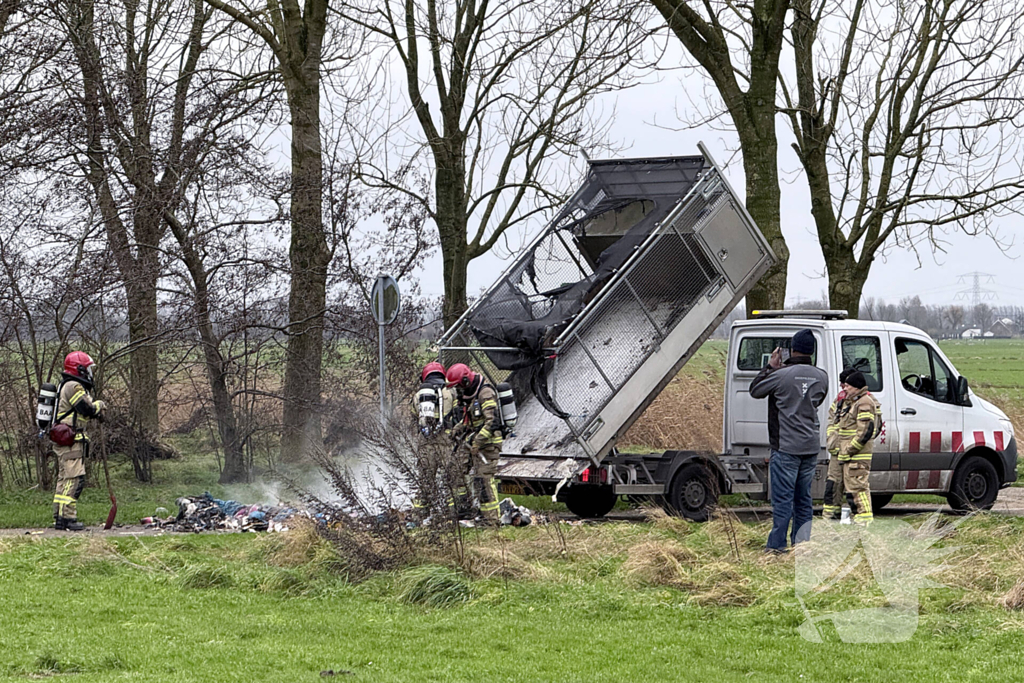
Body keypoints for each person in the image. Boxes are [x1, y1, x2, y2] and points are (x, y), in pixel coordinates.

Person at [749, 329, 828, 553]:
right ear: (811, 350)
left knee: (783, 500)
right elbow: (818, 399)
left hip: (786, 447)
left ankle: (776, 547)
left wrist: (770, 367)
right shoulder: (822, 376)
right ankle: (801, 545)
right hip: (810, 446)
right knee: (803, 499)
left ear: (791, 349)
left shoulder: (781, 375)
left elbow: (755, 390)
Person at [52, 351, 106, 531]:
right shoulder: (74, 386)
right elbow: (86, 408)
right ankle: (68, 518)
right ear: (80, 368)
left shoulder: (66, 385)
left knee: (64, 478)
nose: (90, 373)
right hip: (71, 440)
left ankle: (60, 517)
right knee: (73, 479)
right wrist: (99, 406)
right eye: (89, 368)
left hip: (67, 439)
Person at [445, 363, 502, 524]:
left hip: (488, 444)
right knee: (455, 471)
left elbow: (492, 422)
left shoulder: (485, 394)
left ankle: (491, 521)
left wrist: (477, 442)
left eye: (459, 386)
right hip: (473, 442)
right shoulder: (471, 394)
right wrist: (458, 428)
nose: (459, 391)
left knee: (483, 480)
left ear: (466, 381)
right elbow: (470, 419)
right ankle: (463, 510)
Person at [832, 371, 883, 525]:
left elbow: (865, 431)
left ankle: (865, 522)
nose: (844, 388)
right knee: (853, 491)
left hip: (858, 456)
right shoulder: (855, 401)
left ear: (856, 387)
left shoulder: (864, 402)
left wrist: (848, 450)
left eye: (848, 386)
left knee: (859, 490)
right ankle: (861, 522)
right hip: (852, 456)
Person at [823, 367, 855, 520]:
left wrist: (851, 447)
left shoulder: (864, 402)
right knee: (832, 487)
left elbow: (869, 430)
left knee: (854, 492)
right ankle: (830, 522)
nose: (842, 388)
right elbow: (831, 421)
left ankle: (859, 527)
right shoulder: (839, 400)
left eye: (845, 384)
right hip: (837, 453)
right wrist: (832, 442)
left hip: (853, 455)